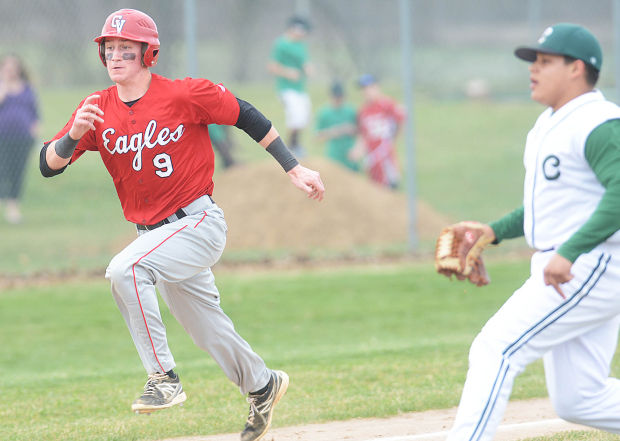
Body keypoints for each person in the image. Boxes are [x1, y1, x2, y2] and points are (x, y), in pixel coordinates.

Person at [39, 9, 324, 441]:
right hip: (155, 238)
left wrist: (293, 167)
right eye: (109, 48)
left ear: (148, 53)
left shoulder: (184, 94)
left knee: (125, 269)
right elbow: (48, 165)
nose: (115, 56)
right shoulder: (95, 109)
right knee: (207, 327)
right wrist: (73, 136)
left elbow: (244, 114)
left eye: (125, 49)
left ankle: (163, 379)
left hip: (198, 223)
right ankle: (262, 385)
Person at [445, 23, 620, 441]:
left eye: (545, 62)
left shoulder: (599, 122)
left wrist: (572, 252)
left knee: (496, 349)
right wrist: (494, 231)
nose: (533, 70)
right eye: (533, 62)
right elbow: (552, 205)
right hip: (574, 263)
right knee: (580, 398)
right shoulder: (550, 123)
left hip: (592, 264)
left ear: (577, 68)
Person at [0, 54, 39, 224]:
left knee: (17, 173)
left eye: (13, 67)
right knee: (3, 171)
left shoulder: (27, 89)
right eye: (7, 68)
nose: (10, 71)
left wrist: (36, 136)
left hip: (22, 139)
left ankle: (13, 208)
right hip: (3, 137)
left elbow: (34, 114)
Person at [268, 16, 313, 158]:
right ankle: (290, 147)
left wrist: (308, 69)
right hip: (286, 88)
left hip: (300, 88)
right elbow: (272, 66)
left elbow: (305, 63)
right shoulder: (281, 44)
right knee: (296, 115)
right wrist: (288, 72)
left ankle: (295, 145)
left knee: (304, 117)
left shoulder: (301, 45)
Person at [351, 74, 405, 189]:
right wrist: (357, 150)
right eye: (363, 89)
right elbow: (363, 134)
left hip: (385, 154)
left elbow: (400, 119)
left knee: (390, 187)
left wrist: (393, 139)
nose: (366, 92)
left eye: (368, 88)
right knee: (375, 188)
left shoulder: (386, 104)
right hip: (372, 156)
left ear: (376, 87)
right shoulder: (363, 110)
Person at [315, 81, 359, 171]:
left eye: (340, 97)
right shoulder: (324, 113)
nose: (339, 100)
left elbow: (361, 132)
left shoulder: (351, 111)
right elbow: (317, 137)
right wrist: (335, 131)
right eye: (336, 97)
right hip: (333, 158)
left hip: (350, 157)